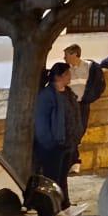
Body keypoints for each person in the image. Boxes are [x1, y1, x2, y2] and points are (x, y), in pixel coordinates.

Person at [33, 63, 82, 206]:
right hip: (54, 145)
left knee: (62, 177)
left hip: (67, 143)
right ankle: (52, 206)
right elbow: (42, 122)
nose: (70, 76)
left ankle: (64, 203)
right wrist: (50, 143)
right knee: (52, 178)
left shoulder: (68, 93)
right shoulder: (47, 96)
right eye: (67, 73)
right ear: (58, 76)